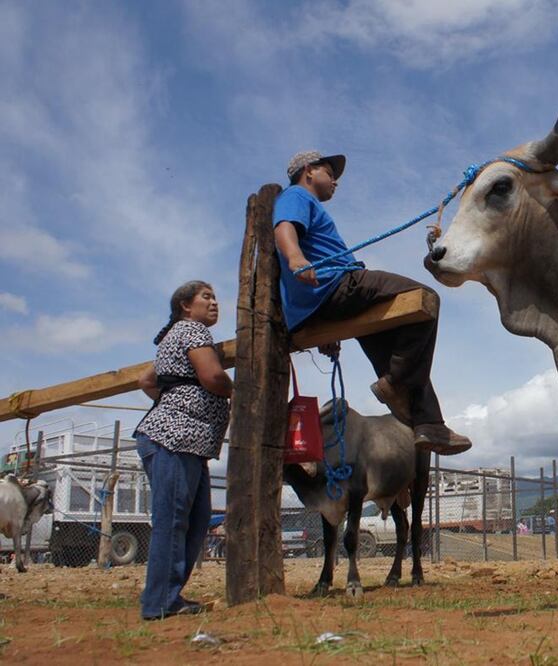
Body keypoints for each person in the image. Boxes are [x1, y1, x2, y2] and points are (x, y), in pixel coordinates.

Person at [273, 151, 470, 455]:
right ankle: (395, 383)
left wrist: (331, 330)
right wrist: (296, 257)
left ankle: (429, 423)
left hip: (325, 302)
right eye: (329, 172)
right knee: (423, 299)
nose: (336, 181)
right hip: (335, 285)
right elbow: (284, 228)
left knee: (398, 349)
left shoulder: (304, 200)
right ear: (308, 171)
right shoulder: (297, 196)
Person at [134, 281, 232, 620]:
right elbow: (213, 377)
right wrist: (240, 391)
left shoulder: (173, 337)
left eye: (215, 296)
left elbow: (147, 381)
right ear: (185, 306)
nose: (214, 302)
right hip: (174, 439)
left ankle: (168, 596)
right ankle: (160, 602)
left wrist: (172, 402)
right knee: (174, 520)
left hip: (186, 441)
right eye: (206, 296)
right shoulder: (192, 330)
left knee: (196, 519)